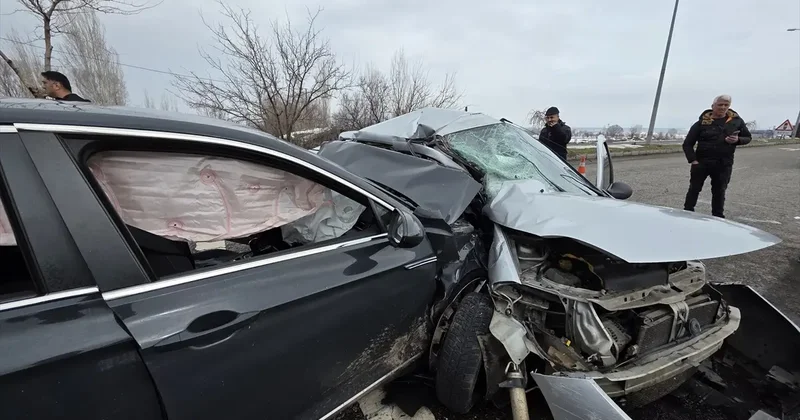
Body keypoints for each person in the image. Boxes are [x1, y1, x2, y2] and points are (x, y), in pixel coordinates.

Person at [682, 94, 751, 218]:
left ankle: (718, 217)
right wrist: (693, 160)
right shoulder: (701, 123)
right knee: (694, 189)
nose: (723, 107)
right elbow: (687, 144)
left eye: (726, 105)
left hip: (723, 163)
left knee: (719, 192)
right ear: (713, 106)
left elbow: (748, 138)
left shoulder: (736, 122)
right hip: (701, 162)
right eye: (720, 105)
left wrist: (737, 140)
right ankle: (687, 213)